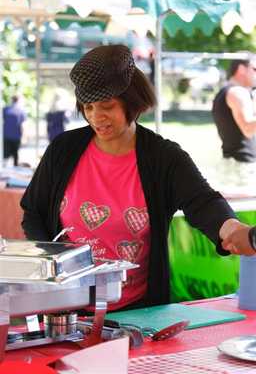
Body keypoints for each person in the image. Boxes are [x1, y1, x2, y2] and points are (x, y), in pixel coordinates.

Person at [20, 44, 248, 310]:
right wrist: (55, 263)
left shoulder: (164, 157)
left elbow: (204, 203)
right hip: (66, 310)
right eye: (88, 107)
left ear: (133, 102)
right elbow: (33, 213)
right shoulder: (63, 150)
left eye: (107, 105)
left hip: (139, 311)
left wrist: (234, 230)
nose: (96, 117)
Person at [212, 59, 256, 189]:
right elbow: (247, 128)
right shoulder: (237, 92)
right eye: (254, 69)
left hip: (235, 164)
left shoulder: (227, 91)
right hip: (242, 168)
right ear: (242, 69)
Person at [3, 95, 26, 166]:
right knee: (15, 155)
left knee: (6, 155)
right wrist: (24, 136)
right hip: (16, 136)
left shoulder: (5, 109)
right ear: (19, 100)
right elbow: (23, 125)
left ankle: (5, 168)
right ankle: (14, 168)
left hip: (6, 135)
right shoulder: (21, 111)